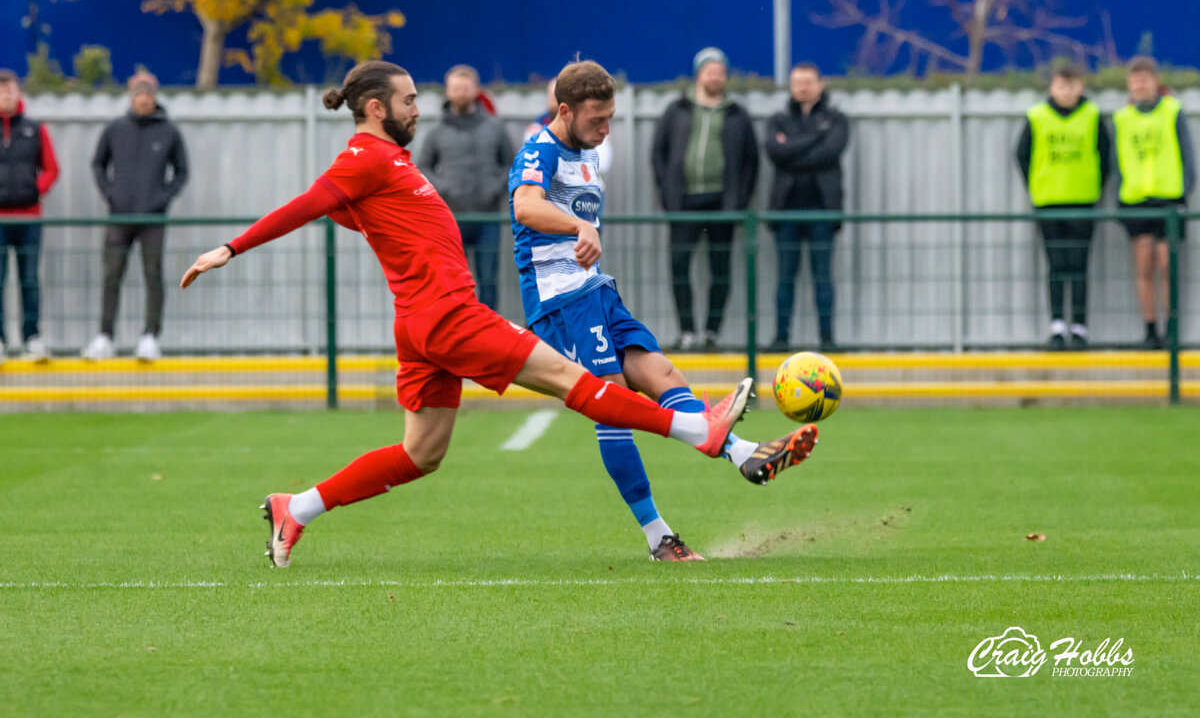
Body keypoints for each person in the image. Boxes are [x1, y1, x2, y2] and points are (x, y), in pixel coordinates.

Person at [180, 60, 755, 569]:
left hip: (419, 322)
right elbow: (311, 202)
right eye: (408, 100)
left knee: (420, 454)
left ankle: (297, 507)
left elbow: (358, 215)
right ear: (377, 108)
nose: (417, 108)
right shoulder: (364, 158)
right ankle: (699, 430)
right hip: (448, 314)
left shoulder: (388, 161)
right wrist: (231, 248)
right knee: (571, 380)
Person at [510, 60, 818, 560]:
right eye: (597, 120)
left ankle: (743, 453)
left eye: (611, 118)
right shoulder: (538, 150)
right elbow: (525, 206)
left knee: (664, 374)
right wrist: (579, 228)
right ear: (564, 111)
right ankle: (660, 538)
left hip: (595, 291)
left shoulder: (586, 151)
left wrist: (583, 235)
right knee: (611, 410)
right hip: (559, 301)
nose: (606, 129)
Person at [652, 47, 758, 351]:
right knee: (679, 265)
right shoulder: (678, 110)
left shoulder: (738, 115)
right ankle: (686, 332)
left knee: (721, 268)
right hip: (683, 204)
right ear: (699, 74)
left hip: (722, 205)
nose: (715, 76)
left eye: (720, 71)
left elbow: (751, 161)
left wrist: (739, 201)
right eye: (710, 70)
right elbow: (659, 153)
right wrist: (667, 192)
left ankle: (712, 333)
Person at [83, 72, 189, 362]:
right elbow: (98, 165)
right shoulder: (115, 129)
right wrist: (111, 195)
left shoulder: (169, 131)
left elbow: (181, 172)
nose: (143, 98)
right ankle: (105, 337)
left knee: (153, 276)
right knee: (111, 276)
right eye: (138, 93)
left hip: (153, 220)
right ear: (131, 96)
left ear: (154, 97)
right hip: (119, 218)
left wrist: (162, 199)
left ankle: (150, 337)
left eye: (148, 94)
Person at [1015, 65, 1111, 350]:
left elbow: (1105, 157)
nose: (1066, 91)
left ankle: (1079, 328)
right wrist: (1039, 185)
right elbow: (1022, 155)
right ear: (1052, 87)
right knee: (1056, 264)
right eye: (1061, 85)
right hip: (1049, 201)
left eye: (1072, 85)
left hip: (1082, 200)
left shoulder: (1092, 116)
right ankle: (1057, 327)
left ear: (1080, 87)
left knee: (1079, 264)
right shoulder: (1037, 116)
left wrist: (1091, 184)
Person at [764, 63, 849, 353]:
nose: (803, 87)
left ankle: (827, 340)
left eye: (809, 82)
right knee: (785, 278)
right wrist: (815, 138)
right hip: (785, 211)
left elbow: (830, 152)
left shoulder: (836, 119)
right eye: (797, 82)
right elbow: (776, 153)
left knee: (822, 277)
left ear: (820, 84)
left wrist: (792, 148)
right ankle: (780, 339)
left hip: (822, 211)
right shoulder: (778, 119)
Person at [1112, 56, 1194, 350]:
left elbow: (1187, 158)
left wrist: (1184, 194)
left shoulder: (1172, 111)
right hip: (1136, 200)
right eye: (1134, 81)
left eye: (1144, 79)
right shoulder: (1123, 118)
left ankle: (1172, 329)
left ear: (1155, 82)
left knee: (1166, 265)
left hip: (1168, 199)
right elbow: (1116, 162)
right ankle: (1150, 330)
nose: (1139, 85)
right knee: (1143, 266)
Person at [417, 65, 514, 310]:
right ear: (448, 92)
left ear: (476, 91)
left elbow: (513, 165)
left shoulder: (495, 128)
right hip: (452, 218)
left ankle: (490, 339)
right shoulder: (436, 132)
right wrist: (445, 189)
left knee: (488, 281)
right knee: (452, 282)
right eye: (456, 88)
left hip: (488, 218)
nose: (461, 92)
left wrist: (495, 188)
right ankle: (457, 337)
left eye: (465, 87)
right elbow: (423, 168)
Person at [0, 69, 59, 363]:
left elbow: (51, 168)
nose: (5, 97)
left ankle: (32, 338)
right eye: (1, 92)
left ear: (18, 94)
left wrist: (34, 191)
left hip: (29, 218)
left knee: (29, 279)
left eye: (9, 91)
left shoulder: (36, 129)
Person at [524, 77, 613, 174]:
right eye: (554, 99)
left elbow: (603, 163)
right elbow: (535, 164)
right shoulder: (535, 130)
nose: (559, 105)